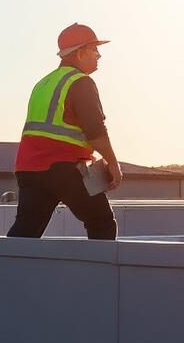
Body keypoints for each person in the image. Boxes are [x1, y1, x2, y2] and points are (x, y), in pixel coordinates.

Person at [7, 23, 124, 240]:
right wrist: (113, 164)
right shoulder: (81, 82)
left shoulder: (43, 83)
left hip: (29, 169)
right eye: (94, 49)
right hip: (65, 168)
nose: (98, 55)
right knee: (101, 222)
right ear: (79, 53)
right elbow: (96, 132)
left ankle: (1, 263)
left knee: (25, 232)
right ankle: (97, 265)